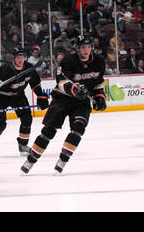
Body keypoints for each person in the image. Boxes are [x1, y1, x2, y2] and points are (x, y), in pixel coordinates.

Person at [21, 37, 107, 175]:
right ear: (77, 48)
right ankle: (30, 160)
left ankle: (63, 160)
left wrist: (99, 97)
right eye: (83, 47)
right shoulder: (68, 61)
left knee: (78, 129)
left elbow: (98, 82)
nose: (86, 50)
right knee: (49, 131)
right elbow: (61, 83)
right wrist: (74, 90)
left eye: (88, 47)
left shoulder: (99, 61)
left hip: (81, 102)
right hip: (62, 99)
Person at [0, 46, 49, 156]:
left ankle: (23, 145)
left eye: (23, 57)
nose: (21, 60)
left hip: (18, 96)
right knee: (0, 125)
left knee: (27, 118)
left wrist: (41, 96)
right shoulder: (5, 70)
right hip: (2, 96)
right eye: (18, 57)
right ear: (13, 58)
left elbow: (36, 85)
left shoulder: (29, 69)